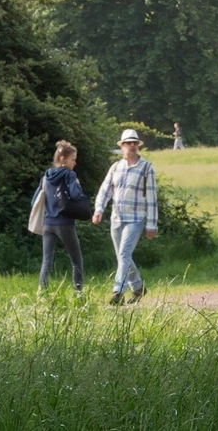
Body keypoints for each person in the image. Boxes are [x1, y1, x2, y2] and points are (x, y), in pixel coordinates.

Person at [91, 127, 160, 305]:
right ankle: (137, 287)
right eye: (128, 143)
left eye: (134, 143)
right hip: (116, 219)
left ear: (138, 146)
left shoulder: (146, 168)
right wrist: (99, 210)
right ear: (121, 146)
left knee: (124, 253)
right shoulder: (116, 167)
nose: (131, 146)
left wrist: (151, 224)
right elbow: (105, 190)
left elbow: (152, 198)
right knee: (123, 256)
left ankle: (117, 293)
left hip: (136, 219)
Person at [35, 139, 90, 293]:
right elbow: (75, 194)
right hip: (64, 223)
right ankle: (78, 294)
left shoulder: (46, 177)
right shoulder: (70, 174)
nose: (75, 163)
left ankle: (42, 293)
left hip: (47, 224)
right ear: (63, 159)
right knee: (77, 261)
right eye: (73, 159)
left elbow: (36, 200)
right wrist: (77, 184)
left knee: (47, 261)